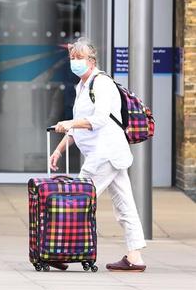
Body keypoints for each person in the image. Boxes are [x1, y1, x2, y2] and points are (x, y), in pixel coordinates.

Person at [49, 37, 147, 272]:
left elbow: (99, 119)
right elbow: (76, 128)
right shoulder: (81, 86)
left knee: (77, 199)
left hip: (104, 154)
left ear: (91, 61)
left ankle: (61, 252)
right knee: (124, 204)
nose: (74, 62)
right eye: (72, 58)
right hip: (110, 154)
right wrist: (59, 149)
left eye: (79, 58)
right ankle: (135, 257)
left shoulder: (101, 83)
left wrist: (70, 122)